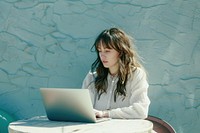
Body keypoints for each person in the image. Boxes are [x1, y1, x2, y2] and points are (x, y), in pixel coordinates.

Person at [82, 28, 150, 119]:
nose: (102, 55)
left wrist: (105, 114)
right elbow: (84, 109)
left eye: (107, 51)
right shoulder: (93, 76)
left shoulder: (135, 74)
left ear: (121, 52)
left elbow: (140, 111)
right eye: (99, 50)